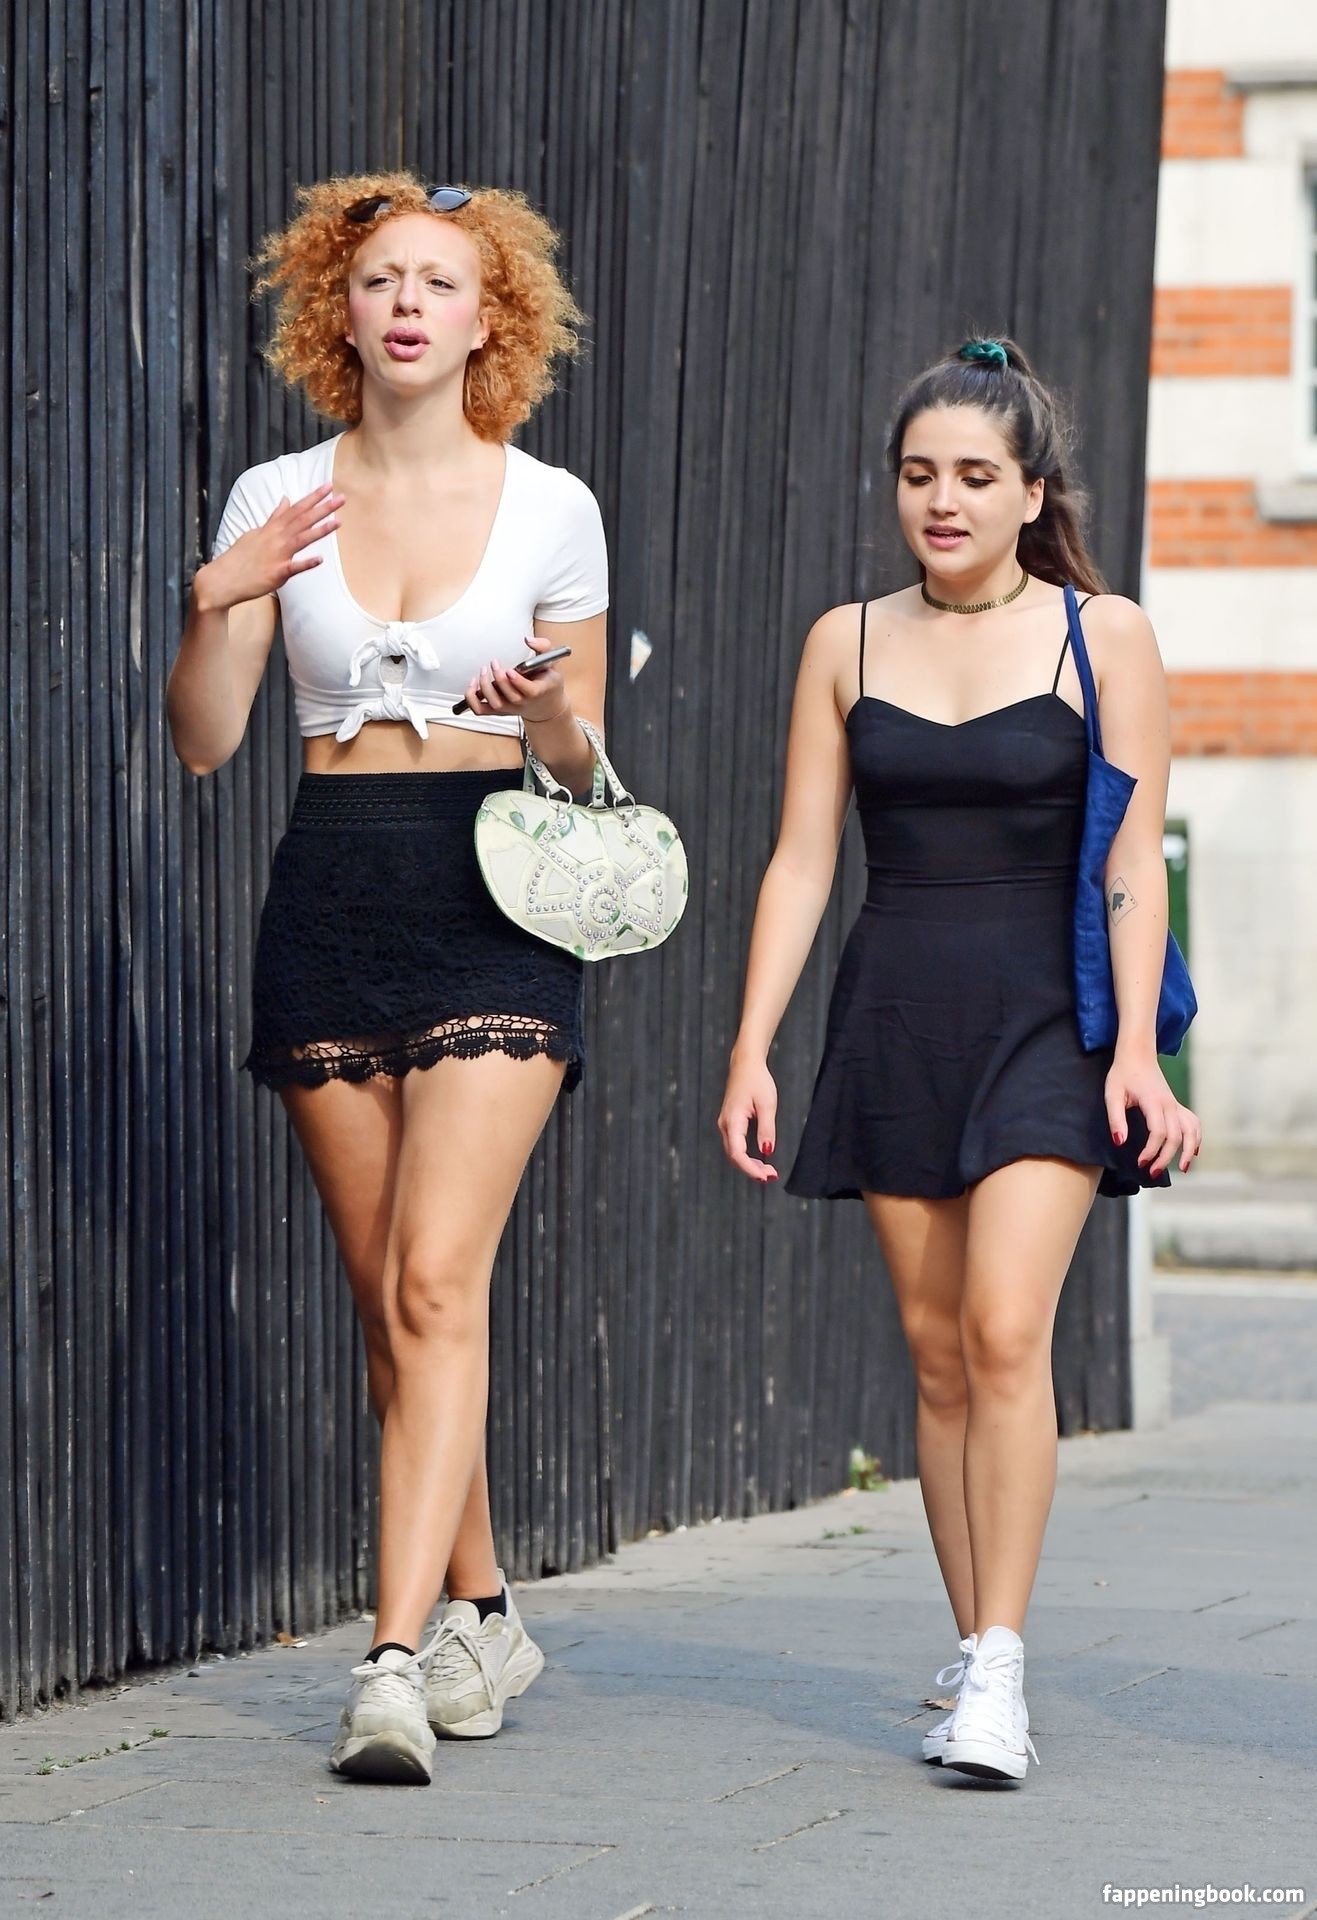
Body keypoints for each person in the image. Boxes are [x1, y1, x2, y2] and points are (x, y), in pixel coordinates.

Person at [167, 172, 608, 1784]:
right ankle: (483, 1605)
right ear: (336, 314)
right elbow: (206, 741)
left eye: (438, 281)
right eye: (380, 280)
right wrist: (218, 597)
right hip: (330, 893)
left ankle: (392, 1662)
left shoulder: (550, 504)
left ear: (491, 318)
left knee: (434, 1284)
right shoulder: (277, 495)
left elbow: (582, 761)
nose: (407, 302)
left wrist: (546, 710)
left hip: (495, 894)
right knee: (391, 1303)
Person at [717, 338, 1200, 1784]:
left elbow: (1131, 862)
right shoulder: (844, 641)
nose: (943, 500)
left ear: (1031, 492)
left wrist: (1137, 1055)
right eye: (919, 473)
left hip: (1048, 1018)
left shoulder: (1102, 635)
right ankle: (971, 1637)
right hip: (897, 1010)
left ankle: (998, 1668)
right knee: (936, 1359)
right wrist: (751, 1047)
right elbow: (803, 860)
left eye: (976, 476)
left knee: (1001, 1331)